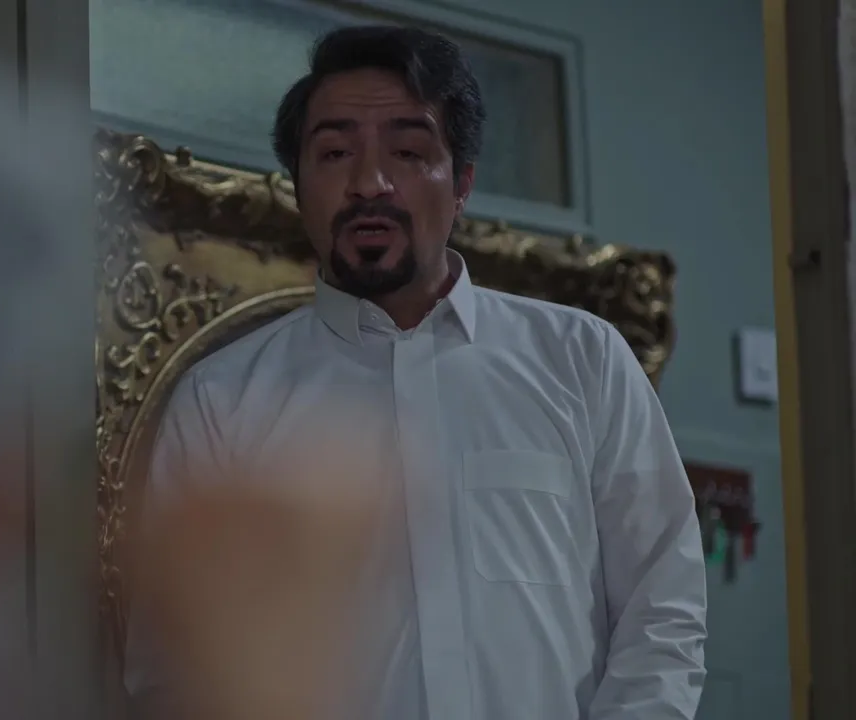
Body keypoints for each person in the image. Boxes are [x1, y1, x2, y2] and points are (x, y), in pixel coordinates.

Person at [125, 25, 707, 720]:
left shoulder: (584, 360)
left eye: (407, 152)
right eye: (335, 153)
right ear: (298, 187)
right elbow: (176, 666)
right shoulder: (221, 401)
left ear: (461, 184)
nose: (369, 184)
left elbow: (662, 607)